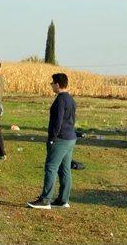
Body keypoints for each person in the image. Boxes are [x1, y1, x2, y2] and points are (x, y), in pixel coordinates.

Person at [27, 73, 77, 209]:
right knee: (65, 169)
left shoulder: (60, 100)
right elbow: (72, 119)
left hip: (60, 138)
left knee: (51, 167)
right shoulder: (71, 99)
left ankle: (45, 199)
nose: (51, 85)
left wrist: (52, 139)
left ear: (57, 85)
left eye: (52, 83)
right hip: (70, 137)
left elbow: (58, 121)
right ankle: (63, 199)